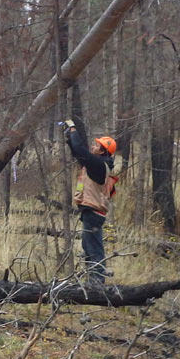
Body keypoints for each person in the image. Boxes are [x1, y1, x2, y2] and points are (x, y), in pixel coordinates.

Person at [63, 121, 118, 283]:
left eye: (96, 146)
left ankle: (97, 284)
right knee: (89, 249)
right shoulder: (96, 165)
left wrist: (73, 129)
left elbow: (81, 151)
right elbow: (79, 154)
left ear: (102, 151)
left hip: (93, 213)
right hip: (91, 212)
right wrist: (69, 139)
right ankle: (92, 282)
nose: (93, 147)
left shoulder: (99, 166)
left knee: (94, 250)